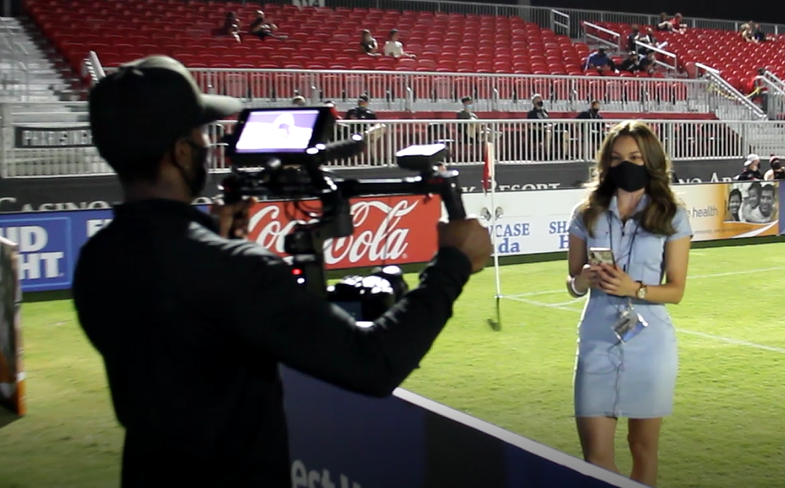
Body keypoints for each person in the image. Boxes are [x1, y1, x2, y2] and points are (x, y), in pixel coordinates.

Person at [72, 55, 493, 488]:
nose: (205, 144)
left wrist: (214, 238)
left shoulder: (96, 259)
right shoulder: (233, 269)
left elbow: (182, 327)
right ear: (180, 152)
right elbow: (374, 364)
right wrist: (452, 264)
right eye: (199, 134)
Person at [565, 120, 693, 487]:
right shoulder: (585, 213)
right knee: (594, 457)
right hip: (597, 340)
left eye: (635, 157)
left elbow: (676, 290)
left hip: (650, 344)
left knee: (642, 446)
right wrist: (582, 280)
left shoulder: (672, 214)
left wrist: (633, 288)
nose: (627, 165)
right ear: (606, 164)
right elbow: (572, 281)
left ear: (650, 160)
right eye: (618, 158)